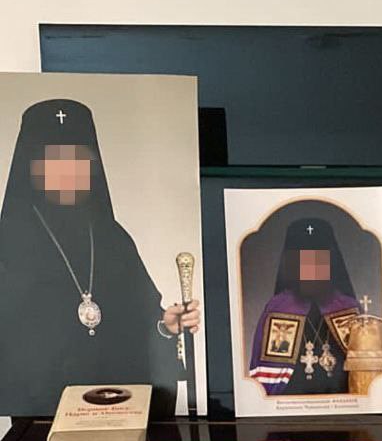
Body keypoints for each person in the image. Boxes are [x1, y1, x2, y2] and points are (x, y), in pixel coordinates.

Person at [0, 98, 200, 418]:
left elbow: (142, 321)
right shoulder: (8, 242)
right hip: (42, 419)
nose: (69, 171)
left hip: (116, 413)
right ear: (31, 167)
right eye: (55, 159)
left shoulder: (113, 238)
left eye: (79, 159)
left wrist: (165, 327)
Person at [249, 217, 361, 395]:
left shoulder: (347, 308)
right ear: (293, 266)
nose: (312, 269)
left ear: (331, 264)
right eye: (304, 262)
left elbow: (362, 374)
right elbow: (266, 383)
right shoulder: (279, 308)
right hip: (289, 406)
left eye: (319, 261)